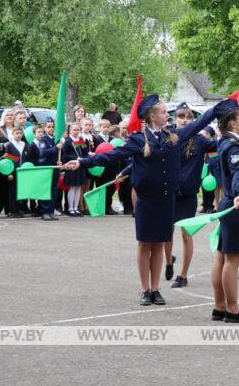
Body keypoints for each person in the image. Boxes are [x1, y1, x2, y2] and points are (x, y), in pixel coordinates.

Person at [65, 94, 223, 307]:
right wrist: (83, 162)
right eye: (164, 112)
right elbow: (112, 155)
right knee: (144, 244)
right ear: (152, 116)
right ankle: (144, 289)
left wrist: (216, 110)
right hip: (147, 199)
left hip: (167, 199)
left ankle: (155, 289)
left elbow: (197, 125)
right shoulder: (138, 139)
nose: (168, 114)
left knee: (158, 245)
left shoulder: (172, 135)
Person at [210, 100, 239, 323]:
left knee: (222, 257)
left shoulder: (227, 143)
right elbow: (238, 172)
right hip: (235, 205)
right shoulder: (233, 147)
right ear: (232, 123)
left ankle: (220, 306)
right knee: (232, 260)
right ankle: (232, 309)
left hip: (229, 203)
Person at [167, 103, 216, 288]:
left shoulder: (200, 140)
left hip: (188, 195)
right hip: (170, 193)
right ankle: (169, 260)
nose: (185, 120)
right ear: (175, 119)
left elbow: (219, 145)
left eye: (189, 117)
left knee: (186, 235)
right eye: (181, 116)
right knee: (166, 233)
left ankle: (183, 275)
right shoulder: (169, 138)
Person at [36, 120, 61, 221]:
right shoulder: (44, 140)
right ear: (45, 128)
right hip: (46, 168)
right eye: (49, 127)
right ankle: (44, 211)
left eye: (52, 127)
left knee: (53, 190)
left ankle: (50, 211)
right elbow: (43, 152)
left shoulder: (56, 139)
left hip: (54, 168)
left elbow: (58, 154)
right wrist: (56, 148)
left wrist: (59, 161)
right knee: (45, 190)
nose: (51, 128)